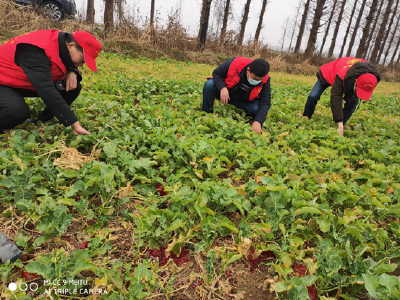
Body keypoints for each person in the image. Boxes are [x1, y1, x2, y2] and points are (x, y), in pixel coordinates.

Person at [0, 30, 102, 140]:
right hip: (3, 81)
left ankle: (41, 121)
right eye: (82, 60)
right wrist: (73, 122)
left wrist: (73, 71)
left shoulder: (62, 43)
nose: (81, 65)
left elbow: (64, 59)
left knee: (73, 86)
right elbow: (46, 90)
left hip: (19, 80)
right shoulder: (35, 50)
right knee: (17, 112)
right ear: (71, 46)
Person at [302, 57, 380, 136]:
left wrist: (347, 99)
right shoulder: (343, 74)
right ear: (355, 82)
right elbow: (335, 96)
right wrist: (339, 122)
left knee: (353, 102)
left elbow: (355, 94)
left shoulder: (372, 78)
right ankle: (306, 117)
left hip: (349, 78)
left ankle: (341, 125)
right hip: (328, 73)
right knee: (313, 96)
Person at [202, 57, 271, 133]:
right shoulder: (235, 63)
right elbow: (216, 73)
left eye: (259, 80)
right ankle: (206, 113)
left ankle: (245, 117)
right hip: (226, 94)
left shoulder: (265, 80)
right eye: (255, 78)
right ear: (248, 70)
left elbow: (265, 101)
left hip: (243, 100)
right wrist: (222, 87)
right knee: (209, 85)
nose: (257, 81)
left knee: (256, 108)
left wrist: (258, 121)